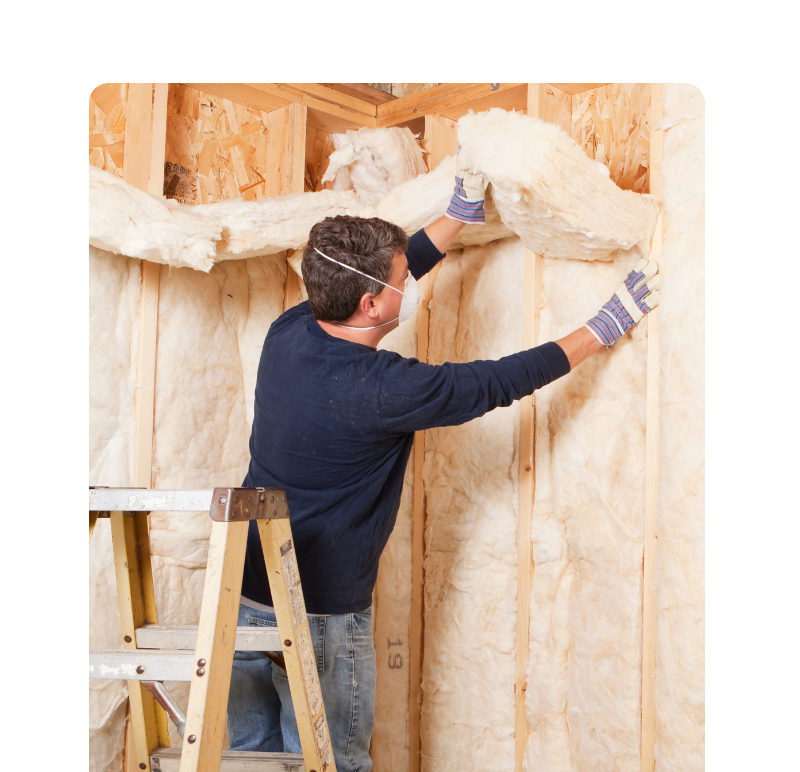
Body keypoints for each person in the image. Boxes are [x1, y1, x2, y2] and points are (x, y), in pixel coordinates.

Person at [227, 166, 660, 770]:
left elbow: (373, 284)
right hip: (317, 616)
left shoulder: (290, 330)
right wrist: (601, 328)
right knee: (330, 763)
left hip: (242, 595)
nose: (410, 285)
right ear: (371, 302)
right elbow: (498, 381)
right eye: (403, 281)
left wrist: (457, 216)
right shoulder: (385, 389)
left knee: (243, 758)